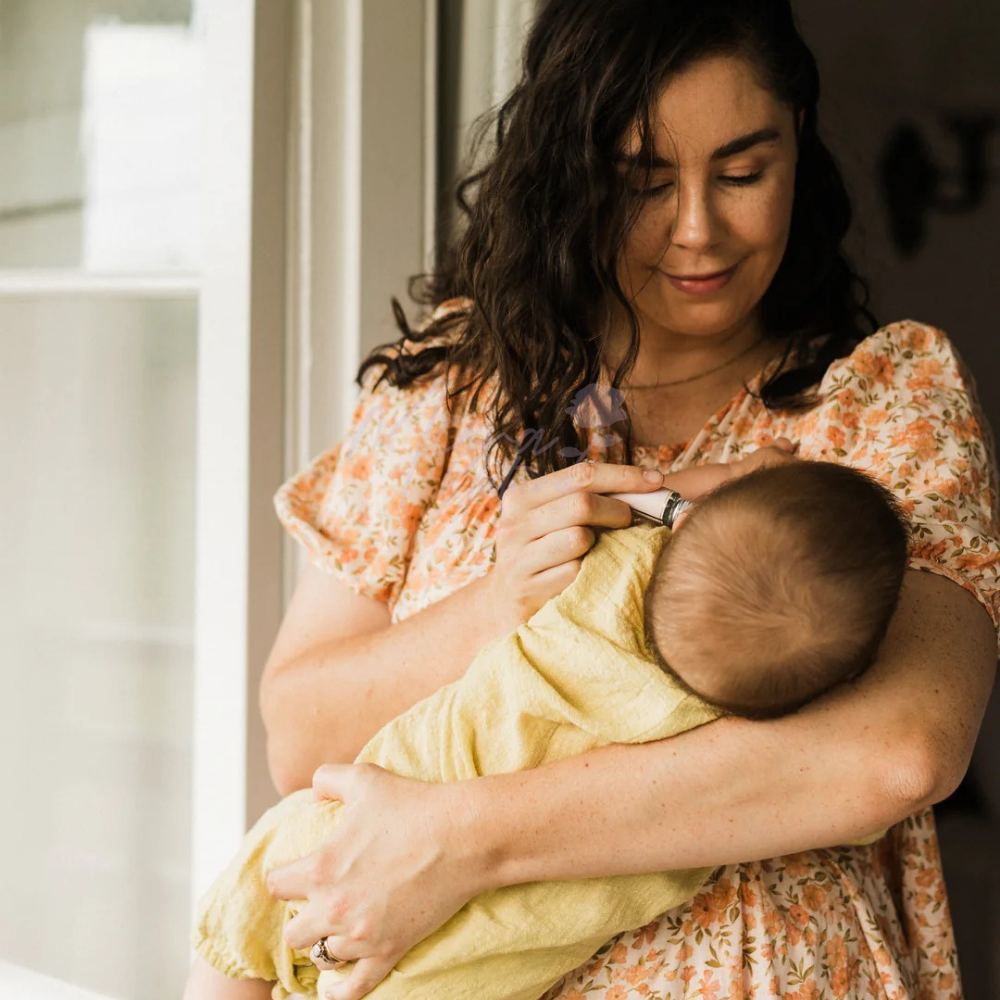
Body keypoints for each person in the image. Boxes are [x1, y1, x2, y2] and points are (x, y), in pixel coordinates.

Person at [197, 1, 1000, 998]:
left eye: (745, 172)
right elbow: (300, 739)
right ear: (568, 178)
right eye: (643, 183)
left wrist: (459, 840)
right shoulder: (446, 391)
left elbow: (895, 753)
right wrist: (501, 604)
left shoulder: (880, 403)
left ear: (801, 151)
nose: (699, 230)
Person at [185, 461, 910, 1000]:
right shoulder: (745, 733)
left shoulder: (611, 572)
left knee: (257, 892)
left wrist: (704, 489)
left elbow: (642, 502)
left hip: (367, 818)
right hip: (478, 966)